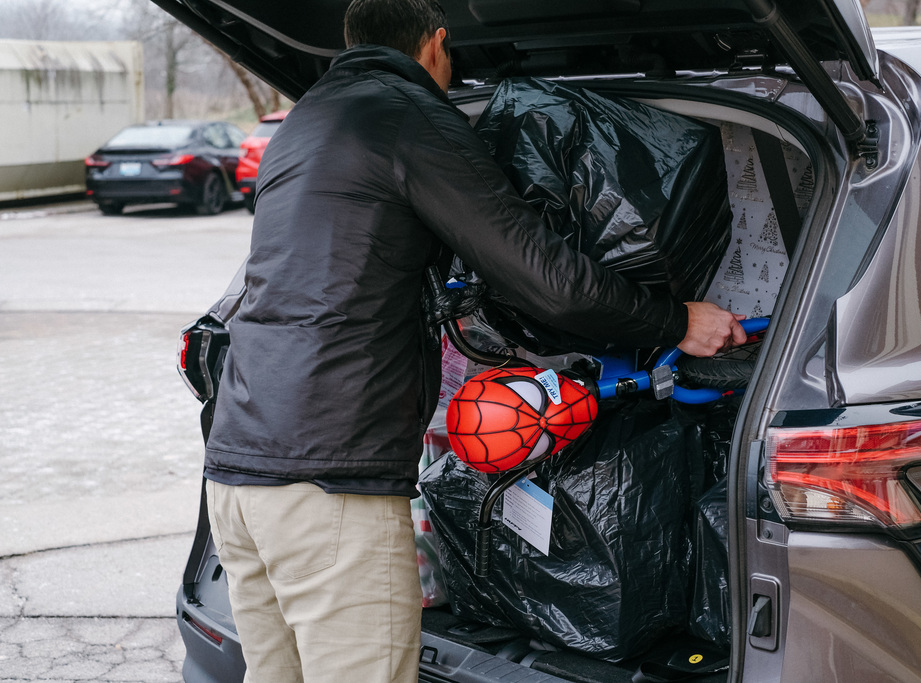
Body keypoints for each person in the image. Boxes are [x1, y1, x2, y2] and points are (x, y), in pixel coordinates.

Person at [202, 0, 746, 681]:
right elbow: (545, 277)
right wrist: (675, 320)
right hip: (329, 485)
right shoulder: (410, 117)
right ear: (436, 45)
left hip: (237, 469)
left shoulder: (306, 121)